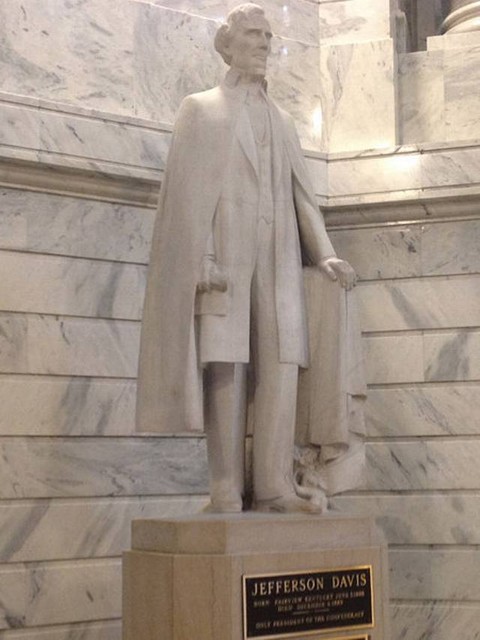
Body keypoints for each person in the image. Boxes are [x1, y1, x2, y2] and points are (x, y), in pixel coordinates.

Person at [136, 3, 358, 514]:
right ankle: (225, 487)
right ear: (228, 44)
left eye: (268, 36)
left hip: (278, 258)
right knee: (227, 364)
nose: (263, 44)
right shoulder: (201, 109)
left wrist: (323, 255)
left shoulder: (282, 120)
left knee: (281, 363)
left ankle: (275, 484)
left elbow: (304, 196)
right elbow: (188, 196)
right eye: (253, 35)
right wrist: (201, 258)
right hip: (227, 261)